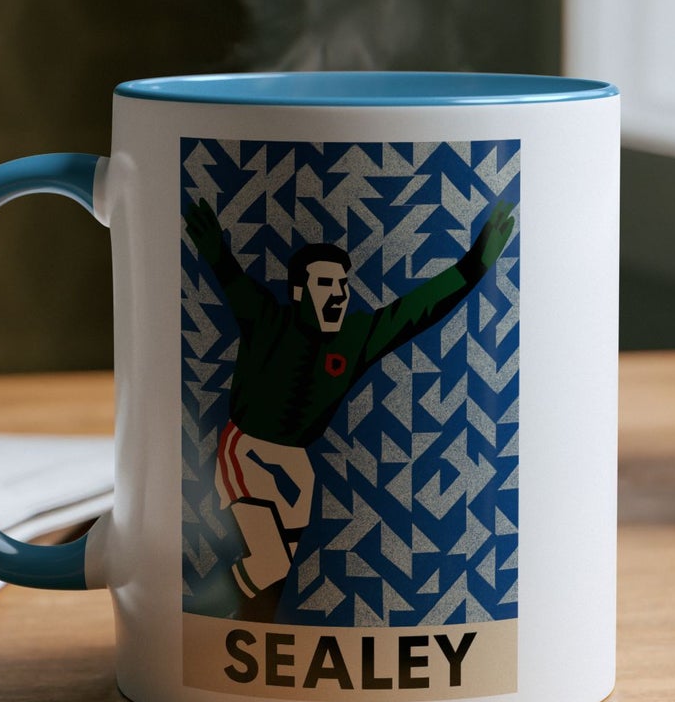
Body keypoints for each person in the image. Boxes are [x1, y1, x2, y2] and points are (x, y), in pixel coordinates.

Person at [185, 195, 515, 620]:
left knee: (276, 575)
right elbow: (229, 276)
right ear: (299, 291)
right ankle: (199, 623)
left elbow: (417, 310)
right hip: (247, 453)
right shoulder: (265, 317)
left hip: (296, 469)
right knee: (270, 562)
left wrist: (474, 267)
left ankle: (250, 633)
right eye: (325, 285)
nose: (338, 295)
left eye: (342, 285)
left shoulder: (357, 337)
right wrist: (214, 250)